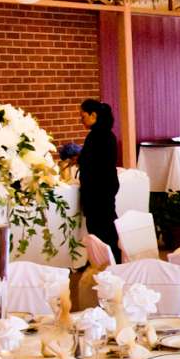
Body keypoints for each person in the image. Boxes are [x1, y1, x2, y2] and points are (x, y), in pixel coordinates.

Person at [77, 98, 119, 257]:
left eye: (83, 116)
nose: (81, 120)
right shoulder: (108, 135)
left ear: (93, 115)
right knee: (107, 229)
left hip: (98, 192)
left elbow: (92, 163)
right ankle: (111, 262)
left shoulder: (96, 136)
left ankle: (107, 265)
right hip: (105, 189)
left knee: (101, 232)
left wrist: (80, 159)